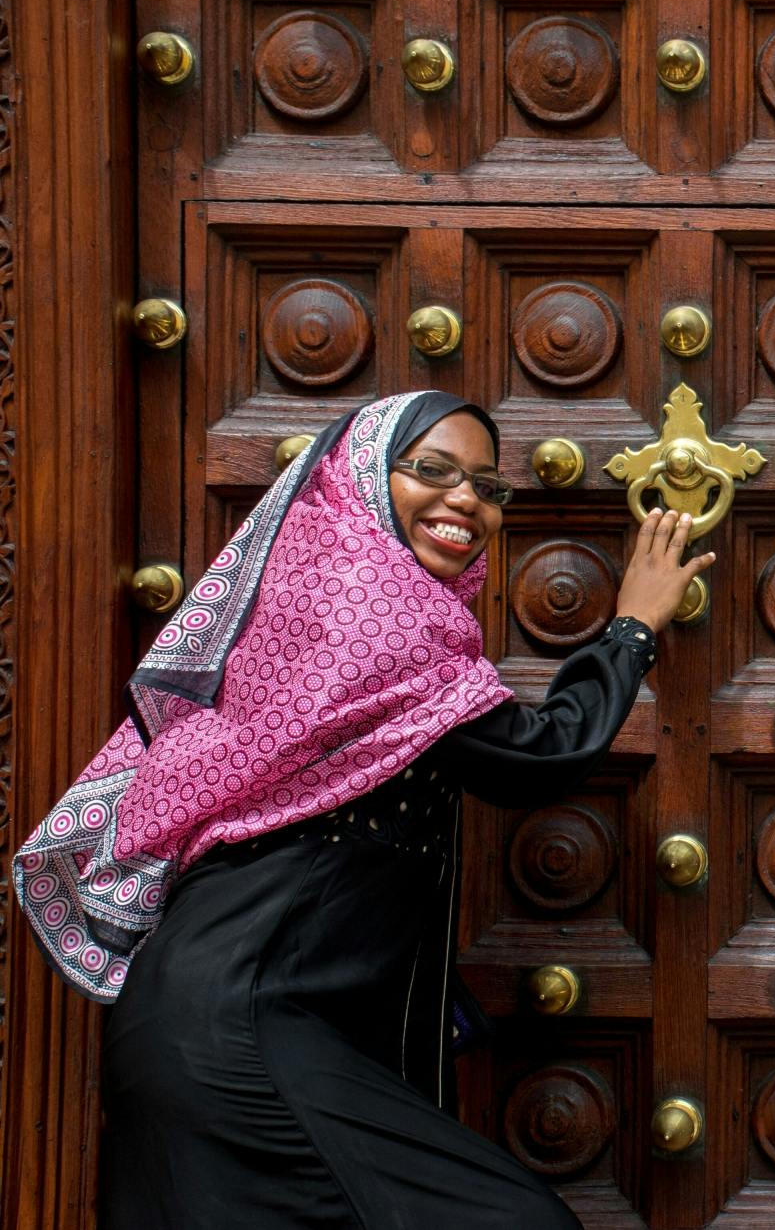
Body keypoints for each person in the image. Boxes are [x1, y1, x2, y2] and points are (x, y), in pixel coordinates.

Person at [11, 390, 712, 1228]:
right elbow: (537, 755)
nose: (467, 501)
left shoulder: (326, 605)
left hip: (228, 1015)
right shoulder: (367, 614)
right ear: (363, 480)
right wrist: (630, 627)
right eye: (433, 470)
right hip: (241, 1023)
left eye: (489, 486)